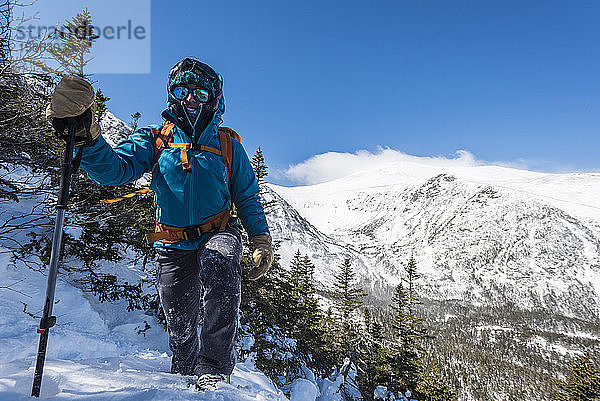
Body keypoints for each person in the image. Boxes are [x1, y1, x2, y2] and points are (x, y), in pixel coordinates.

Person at [46, 58, 273, 390]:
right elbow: (114, 169)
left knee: (219, 260)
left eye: (201, 92)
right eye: (182, 91)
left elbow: (248, 197)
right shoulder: (155, 140)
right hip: (172, 243)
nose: (191, 99)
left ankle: (214, 366)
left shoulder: (228, 146)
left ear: (215, 97)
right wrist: (88, 137)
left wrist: (260, 240)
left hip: (219, 233)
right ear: (172, 95)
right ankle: (184, 369)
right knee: (179, 322)